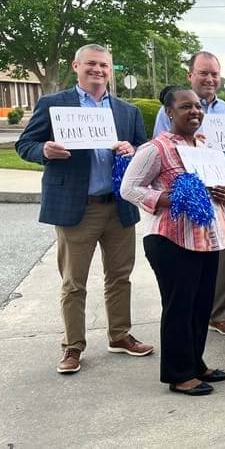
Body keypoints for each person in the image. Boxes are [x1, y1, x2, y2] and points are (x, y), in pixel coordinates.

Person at [15, 43, 153, 374]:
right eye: (91, 64)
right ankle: (73, 346)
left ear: (111, 69)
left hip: (118, 206)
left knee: (120, 277)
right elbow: (25, 145)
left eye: (104, 65)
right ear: (76, 66)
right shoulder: (53, 104)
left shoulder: (126, 110)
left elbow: (144, 148)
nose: (98, 70)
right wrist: (44, 150)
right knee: (73, 282)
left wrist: (131, 149)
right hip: (77, 207)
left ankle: (119, 335)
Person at [120, 87, 225, 395]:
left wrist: (222, 191)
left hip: (206, 238)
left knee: (200, 305)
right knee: (180, 306)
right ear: (169, 112)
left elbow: (215, 185)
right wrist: (164, 198)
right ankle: (179, 374)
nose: (194, 111)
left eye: (197, 106)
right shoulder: (156, 149)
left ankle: (196, 363)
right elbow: (129, 188)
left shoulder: (206, 145)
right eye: (185, 107)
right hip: (171, 239)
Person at [153, 51, 225, 337]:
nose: (210, 79)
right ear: (191, 75)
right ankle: (193, 310)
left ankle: (220, 314)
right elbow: (164, 149)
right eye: (204, 73)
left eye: (214, 74)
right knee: (191, 254)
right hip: (193, 192)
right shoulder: (169, 111)